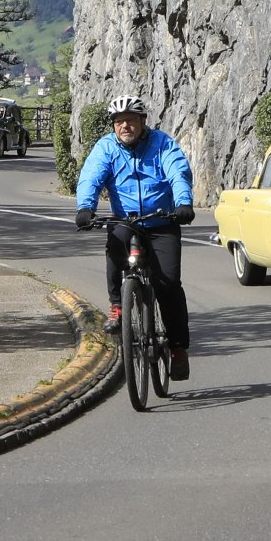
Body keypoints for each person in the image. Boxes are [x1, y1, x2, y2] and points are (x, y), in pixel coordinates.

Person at [74, 94, 197, 380]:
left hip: (162, 220)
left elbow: (178, 172)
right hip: (125, 220)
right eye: (119, 121)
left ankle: (178, 348)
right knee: (114, 247)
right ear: (113, 125)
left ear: (142, 121)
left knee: (168, 284)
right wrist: (85, 208)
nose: (125, 126)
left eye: (130, 120)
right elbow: (91, 177)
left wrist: (183, 203)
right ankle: (117, 305)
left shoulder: (162, 143)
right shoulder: (106, 147)